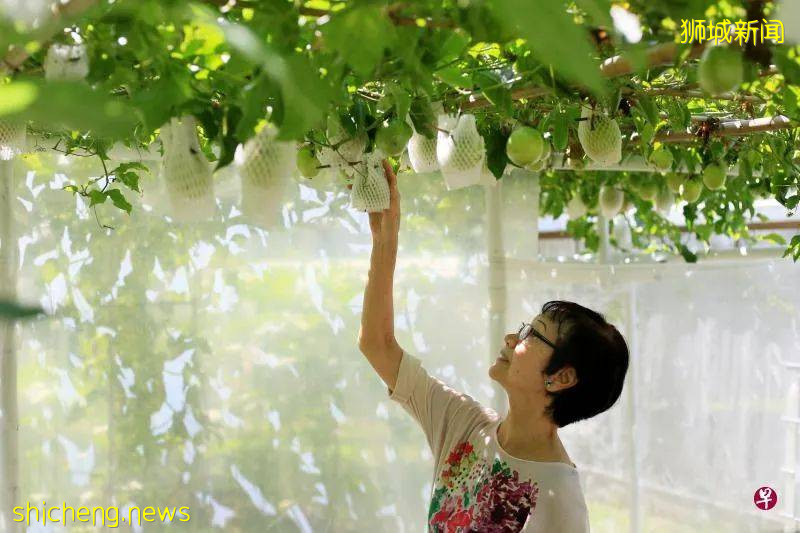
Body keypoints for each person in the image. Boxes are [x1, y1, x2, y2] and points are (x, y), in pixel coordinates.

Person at [358, 161, 629, 532]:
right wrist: (384, 240)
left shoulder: (560, 500)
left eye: (533, 335)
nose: (511, 339)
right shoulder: (464, 423)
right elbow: (377, 345)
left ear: (561, 377)